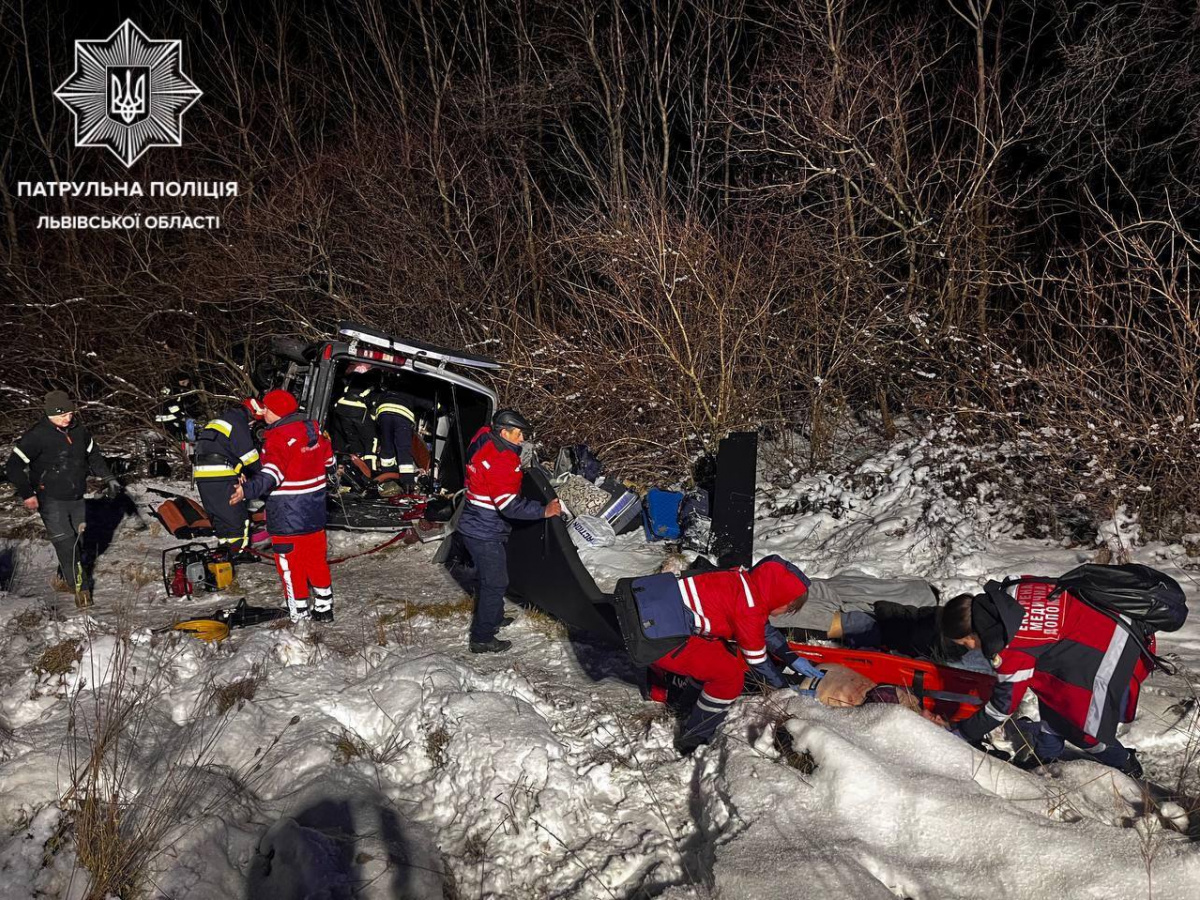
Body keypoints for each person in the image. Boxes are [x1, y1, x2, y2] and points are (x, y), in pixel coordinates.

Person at [617, 555, 821, 754]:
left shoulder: (740, 581)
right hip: (656, 635)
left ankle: (685, 706)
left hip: (651, 607)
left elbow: (762, 628)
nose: (788, 611)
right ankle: (694, 738)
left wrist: (791, 656)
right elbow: (757, 659)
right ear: (778, 594)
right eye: (790, 605)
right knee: (729, 676)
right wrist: (784, 688)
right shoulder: (749, 606)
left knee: (718, 654)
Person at [944, 581, 1150, 776]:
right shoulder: (1010, 594)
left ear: (972, 635)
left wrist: (962, 733)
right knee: (1051, 694)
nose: (968, 649)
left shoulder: (1011, 645)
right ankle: (1047, 755)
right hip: (1116, 626)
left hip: (1118, 654)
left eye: (964, 643)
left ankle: (1124, 762)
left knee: (1083, 728)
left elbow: (1002, 707)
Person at [456, 408, 561, 653]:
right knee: (495, 582)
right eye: (518, 435)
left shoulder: (484, 435)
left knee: (492, 577)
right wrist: (544, 510)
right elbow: (509, 506)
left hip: (474, 521)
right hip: (484, 530)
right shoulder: (501, 460)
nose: (521, 440)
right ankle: (482, 638)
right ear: (503, 432)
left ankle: (493, 617)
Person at [5, 391, 121, 608]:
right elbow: (12, 466)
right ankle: (81, 588)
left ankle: (67, 573)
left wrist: (109, 477)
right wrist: (27, 492)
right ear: (49, 415)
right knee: (67, 544)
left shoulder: (80, 432)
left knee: (79, 541)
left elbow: (93, 455)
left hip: (76, 496)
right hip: (50, 497)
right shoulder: (37, 436)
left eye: (70, 413)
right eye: (62, 415)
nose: (67, 418)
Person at [231, 390, 335, 623]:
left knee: (291, 568)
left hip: (288, 518)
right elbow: (329, 460)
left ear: (276, 412)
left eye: (266, 409)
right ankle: (324, 608)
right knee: (316, 562)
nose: (263, 412)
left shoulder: (277, 439)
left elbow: (273, 474)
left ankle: (299, 616)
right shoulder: (314, 431)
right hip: (315, 514)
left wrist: (246, 490)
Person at [193, 398, 263, 553]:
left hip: (202, 475)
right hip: (222, 474)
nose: (252, 427)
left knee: (220, 516)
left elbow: (222, 450)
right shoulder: (238, 422)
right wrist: (263, 476)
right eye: (253, 423)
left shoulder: (218, 421)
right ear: (251, 415)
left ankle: (224, 551)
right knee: (236, 518)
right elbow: (249, 456)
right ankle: (239, 552)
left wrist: (239, 471)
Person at [371, 381, 434, 496]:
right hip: (402, 418)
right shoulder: (410, 392)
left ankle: (388, 479)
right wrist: (439, 407)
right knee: (403, 449)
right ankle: (408, 485)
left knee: (387, 447)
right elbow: (427, 403)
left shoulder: (387, 391)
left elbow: (374, 400)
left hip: (383, 414)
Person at [330, 367, 378, 465]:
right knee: (371, 439)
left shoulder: (353, 380)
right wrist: (373, 421)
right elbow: (372, 404)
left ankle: (356, 460)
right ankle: (369, 467)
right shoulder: (373, 385)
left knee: (352, 437)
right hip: (357, 409)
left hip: (341, 408)